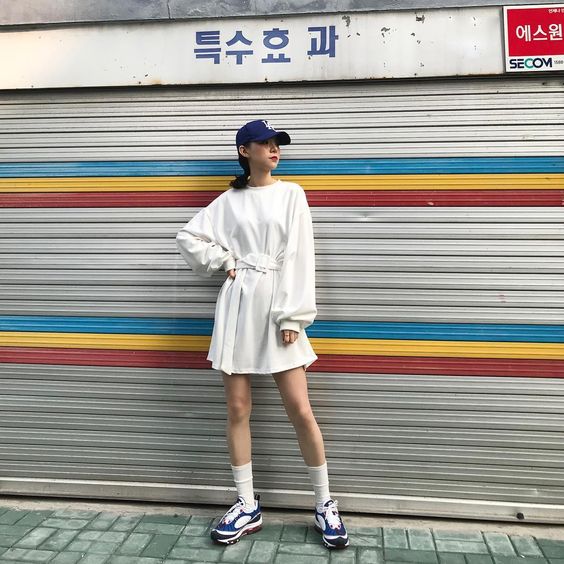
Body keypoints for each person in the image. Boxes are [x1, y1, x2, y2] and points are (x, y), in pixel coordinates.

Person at [175, 119, 349, 550]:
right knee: (237, 408)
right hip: (238, 306)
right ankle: (246, 503)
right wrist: (224, 260)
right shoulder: (229, 200)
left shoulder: (291, 194)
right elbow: (189, 236)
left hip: (277, 308)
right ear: (244, 151)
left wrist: (293, 316)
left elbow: (300, 255)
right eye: (265, 143)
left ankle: (325, 502)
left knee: (300, 409)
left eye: (277, 144)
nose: (274, 150)